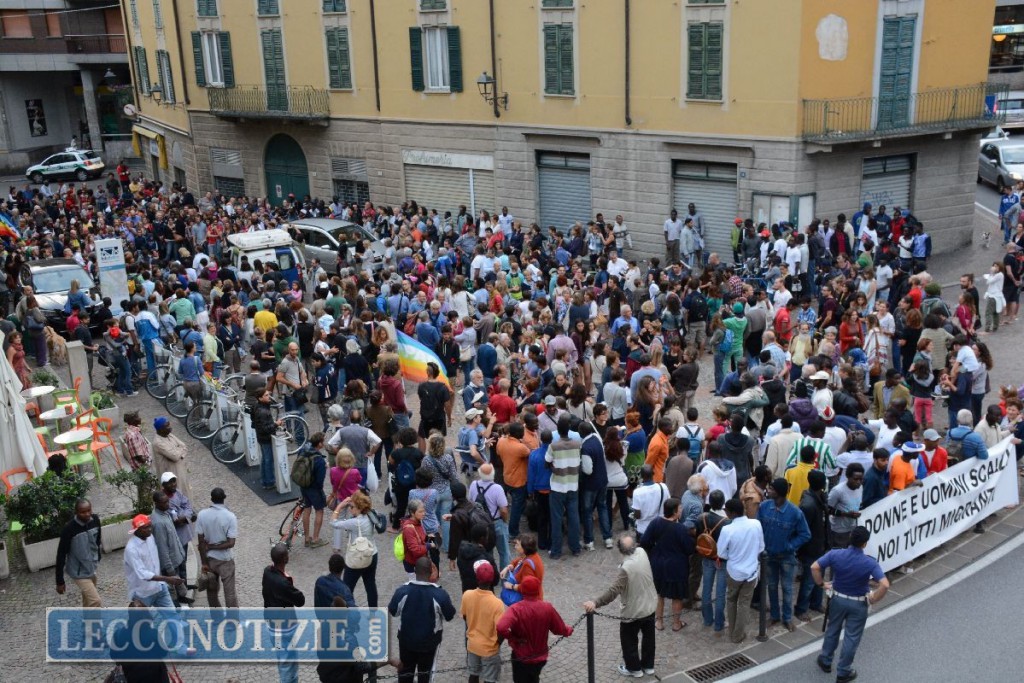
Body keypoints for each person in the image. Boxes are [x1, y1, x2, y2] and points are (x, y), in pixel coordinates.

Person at [813, 526, 890, 683]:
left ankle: (826, 660)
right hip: (858, 603)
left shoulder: (835, 554)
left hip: (838, 599)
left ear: (850, 537)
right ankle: (843, 671)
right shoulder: (869, 562)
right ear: (865, 544)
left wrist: (822, 584)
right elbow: (885, 584)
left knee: (833, 629)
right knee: (852, 637)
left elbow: (814, 567)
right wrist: (874, 598)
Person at [583, 534, 659, 678]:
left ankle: (634, 668)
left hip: (633, 610)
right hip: (650, 605)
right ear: (634, 545)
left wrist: (595, 603)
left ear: (620, 550)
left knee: (629, 640)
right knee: (649, 638)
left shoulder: (626, 568)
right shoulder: (642, 552)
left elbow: (613, 591)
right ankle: (648, 666)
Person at [388, 556, 457, 683]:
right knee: (425, 674)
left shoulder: (402, 591)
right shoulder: (439, 594)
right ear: (431, 572)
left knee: (405, 672)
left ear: (415, 571)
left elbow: (393, 611)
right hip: (429, 643)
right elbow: (449, 615)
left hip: (406, 641)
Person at [496, 575, 574, 683]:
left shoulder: (515, 609)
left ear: (522, 589)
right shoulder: (547, 608)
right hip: (540, 656)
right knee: (534, 679)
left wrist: (513, 638)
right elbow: (559, 629)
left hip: (521, 656)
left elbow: (501, 627)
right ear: (538, 590)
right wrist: (569, 630)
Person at [758, 478, 811, 631]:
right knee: (772, 586)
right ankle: (775, 615)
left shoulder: (795, 513)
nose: (768, 490)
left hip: (786, 557)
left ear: (779, 493)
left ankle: (787, 618)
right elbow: (758, 528)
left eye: (772, 489)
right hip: (769, 556)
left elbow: (805, 534)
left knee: (787, 588)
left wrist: (790, 546)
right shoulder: (764, 507)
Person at [639, 497, 695, 633]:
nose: (681, 510)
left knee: (659, 594)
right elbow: (689, 549)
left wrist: (655, 550)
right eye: (680, 508)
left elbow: (644, 541)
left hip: (658, 564)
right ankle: (676, 623)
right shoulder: (681, 529)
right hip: (677, 567)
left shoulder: (655, 522)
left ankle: (659, 622)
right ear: (675, 512)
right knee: (677, 596)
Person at [717, 499, 766, 644]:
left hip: (734, 572)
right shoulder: (756, 524)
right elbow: (761, 547)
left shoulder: (727, 529)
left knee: (731, 600)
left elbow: (721, 553)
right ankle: (738, 635)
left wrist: (732, 556)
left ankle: (733, 630)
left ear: (732, 513)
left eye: (726, 510)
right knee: (744, 603)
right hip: (751, 571)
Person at [262, 543, 306, 683]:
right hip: (284, 628)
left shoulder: (267, 572)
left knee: (288, 660)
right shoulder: (283, 583)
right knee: (287, 664)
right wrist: (288, 581)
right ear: (285, 559)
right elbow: (300, 600)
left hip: (272, 623)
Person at [331, 489, 380, 606]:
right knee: (370, 584)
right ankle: (373, 612)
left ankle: (350, 612)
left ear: (359, 508)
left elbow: (333, 523)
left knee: (347, 588)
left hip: (356, 557)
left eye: (352, 507)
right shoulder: (371, 515)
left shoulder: (354, 522)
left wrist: (340, 506)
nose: (350, 509)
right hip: (372, 553)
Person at [545, 416, 583, 559]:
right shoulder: (577, 444)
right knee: (574, 517)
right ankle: (575, 548)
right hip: (573, 485)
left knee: (556, 519)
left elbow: (547, 461)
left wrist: (553, 467)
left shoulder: (553, 446)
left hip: (557, 487)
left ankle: (556, 551)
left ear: (557, 430)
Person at [461, 561, 505, 683]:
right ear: (492, 580)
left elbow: (465, 617)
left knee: (473, 675)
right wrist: (497, 643)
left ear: (477, 578)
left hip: (472, 645)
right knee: (490, 679)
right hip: (490, 649)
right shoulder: (497, 603)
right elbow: (501, 629)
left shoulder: (467, 595)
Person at [195, 486, 239, 608]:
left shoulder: (202, 515)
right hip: (225, 560)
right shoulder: (230, 517)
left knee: (212, 591)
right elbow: (231, 543)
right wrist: (212, 547)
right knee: (229, 593)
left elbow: (201, 541)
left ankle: (216, 616)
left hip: (209, 560)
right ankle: (232, 618)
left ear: (211, 499)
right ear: (224, 498)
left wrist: (204, 562)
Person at [55, 498, 102, 607]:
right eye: (83, 512)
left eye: (89, 510)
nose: (87, 514)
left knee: (88, 599)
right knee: (96, 601)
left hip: (91, 567)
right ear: (76, 512)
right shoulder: (69, 529)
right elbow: (61, 554)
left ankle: (86, 618)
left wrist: (97, 556)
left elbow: (98, 539)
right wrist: (60, 581)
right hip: (78, 571)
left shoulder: (95, 520)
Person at [795, 470, 829, 620]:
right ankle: (801, 608)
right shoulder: (808, 504)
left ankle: (816, 602)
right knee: (809, 580)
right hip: (811, 548)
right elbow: (803, 529)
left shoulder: (819, 498)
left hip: (820, 544)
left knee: (819, 576)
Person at [696, 490, 730, 634]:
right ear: (723, 503)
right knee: (720, 592)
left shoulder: (701, 518)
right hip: (721, 559)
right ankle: (719, 623)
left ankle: (707, 619)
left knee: (706, 589)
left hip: (706, 556)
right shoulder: (727, 522)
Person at [150, 490, 190, 606]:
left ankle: (181, 601)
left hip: (176, 559)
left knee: (178, 587)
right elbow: (162, 548)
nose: (167, 504)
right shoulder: (158, 523)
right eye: (164, 503)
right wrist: (169, 569)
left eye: (167, 501)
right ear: (156, 504)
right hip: (170, 564)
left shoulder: (165, 513)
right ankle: (176, 610)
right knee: (172, 593)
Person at [298, 433, 330, 548]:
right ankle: (315, 539)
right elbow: (320, 481)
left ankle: (307, 538)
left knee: (307, 509)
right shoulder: (319, 460)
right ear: (319, 444)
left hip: (303, 485)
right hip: (314, 489)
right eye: (323, 441)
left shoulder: (303, 450)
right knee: (319, 511)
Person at [151, 417, 192, 497]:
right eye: (167, 426)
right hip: (171, 474)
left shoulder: (169, 435)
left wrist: (179, 453)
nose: (170, 427)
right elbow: (175, 457)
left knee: (185, 492)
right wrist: (179, 450)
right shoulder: (158, 443)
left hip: (181, 470)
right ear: (160, 429)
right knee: (176, 495)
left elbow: (184, 446)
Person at [828, 463, 864, 549]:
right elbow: (827, 509)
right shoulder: (837, 491)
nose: (858, 482)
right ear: (848, 477)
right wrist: (846, 514)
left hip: (853, 529)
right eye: (855, 479)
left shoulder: (860, 488)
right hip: (839, 532)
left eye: (861, 479)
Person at [632, 464, 670, 536]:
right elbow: (668, 505)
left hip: (644, 529)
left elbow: (637, 516)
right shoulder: (663, 487)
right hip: (660, 527)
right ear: (653, 473)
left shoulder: (637, 492)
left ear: (641, 476)